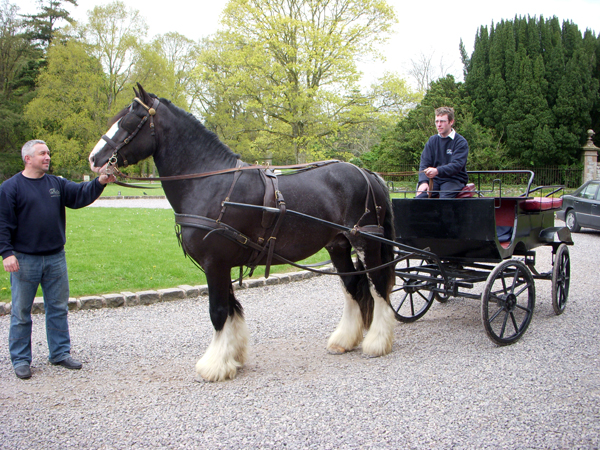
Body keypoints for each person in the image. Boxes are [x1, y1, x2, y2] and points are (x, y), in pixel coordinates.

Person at [0, 140, 116, 379]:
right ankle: (21, 359)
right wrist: (6, 253)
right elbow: (3, 223)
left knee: (58, 308)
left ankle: (60, 353)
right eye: (42, 153)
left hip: (55, 258)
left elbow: (80, 194)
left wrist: (101, 181)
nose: (48, 157)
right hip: (24, 260)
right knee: (21, 312)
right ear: (28, 158)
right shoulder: (11, 188)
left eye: (48, 153)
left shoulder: (56, 183)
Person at [416, 106, 469, 198]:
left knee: (444, 200)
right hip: (435, 180)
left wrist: (437, 171)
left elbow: (457, 165)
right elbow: (424, 163)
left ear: (451, 122)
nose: (439, 124)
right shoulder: (432, 141)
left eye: (442, 121)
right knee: (420, 198)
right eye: (437, 121)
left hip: (454, 180)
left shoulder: (460, 142)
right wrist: (423, 182)